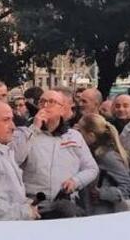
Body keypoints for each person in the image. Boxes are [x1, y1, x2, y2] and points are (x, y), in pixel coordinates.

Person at [13, 89, 98, 217]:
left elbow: (92, 168)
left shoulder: (74, 136)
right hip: (34, 205)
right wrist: (34, 128)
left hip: (65, 204)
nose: (46, 106)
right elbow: (14, 160)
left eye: (51, 102)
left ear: (62, 110)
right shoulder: (24, 133)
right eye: (42, 102)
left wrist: (76, 181)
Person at [76, 113, 130, 214]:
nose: (77, 134)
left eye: (80, 131)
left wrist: (102, 193)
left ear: (91, 135)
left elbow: (128, 185)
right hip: (90, 210)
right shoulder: (88, 151)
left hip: (105, 212)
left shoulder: (107, 156)